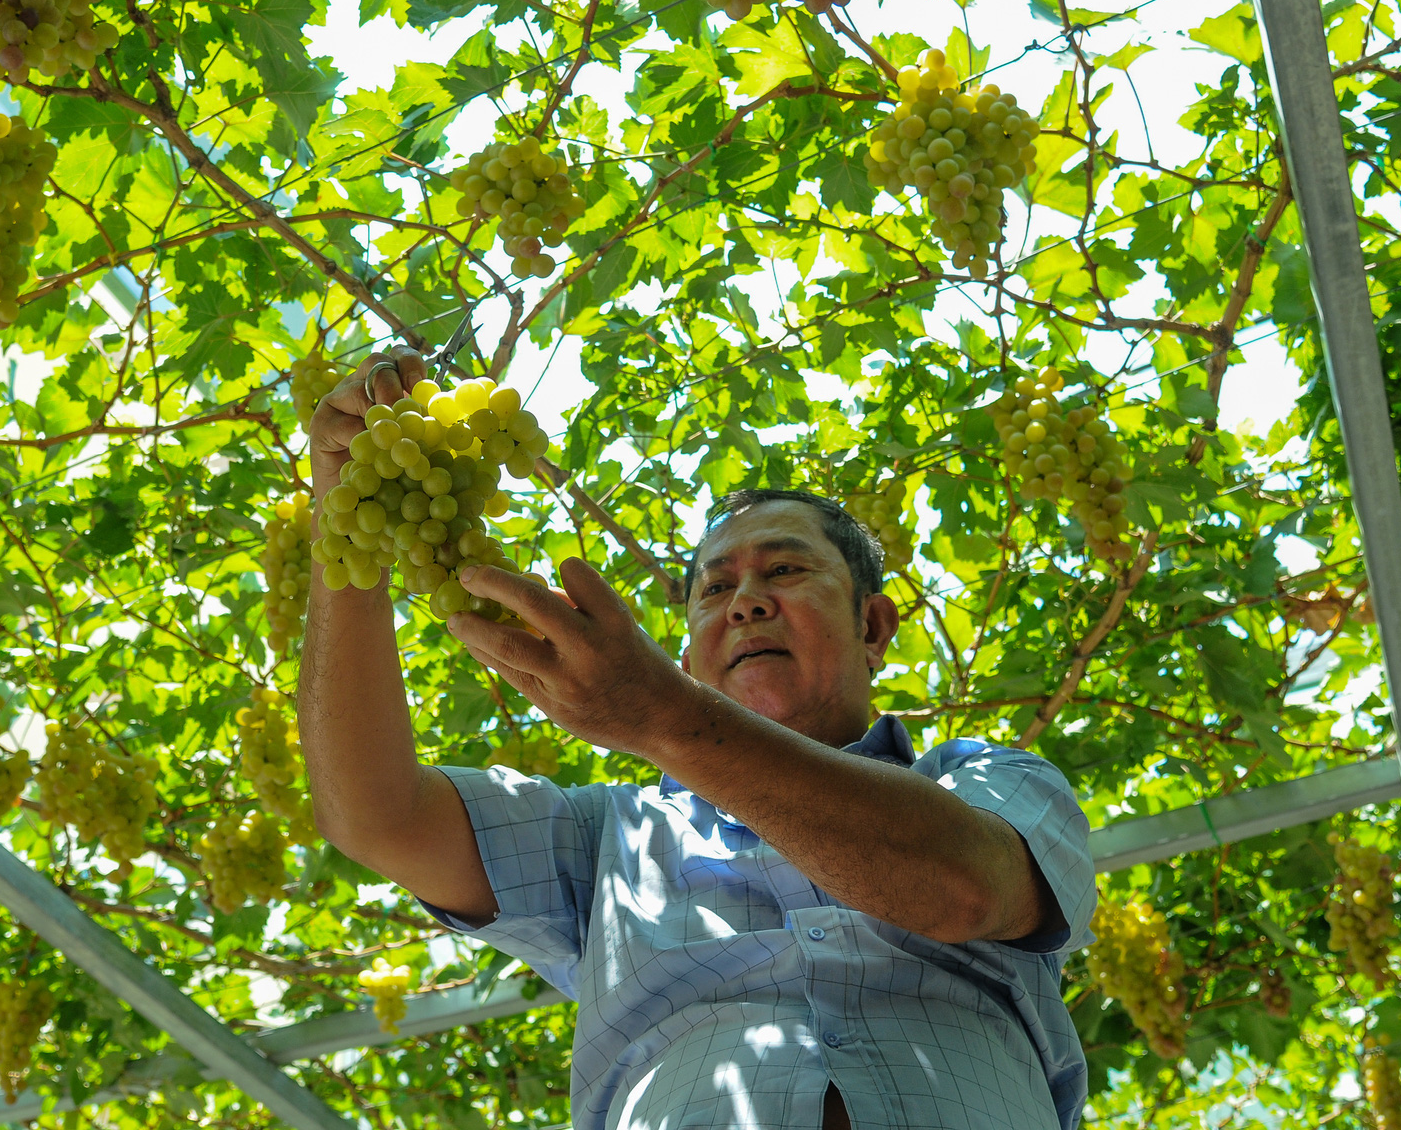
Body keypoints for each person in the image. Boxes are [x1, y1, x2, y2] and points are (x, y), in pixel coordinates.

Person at [299, 348, 1096, 1130]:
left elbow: (963, 885)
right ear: (687, 657)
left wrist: (663, 718)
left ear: (874, 624)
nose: (745, 601)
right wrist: (349, 529)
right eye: (716, 588)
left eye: (783, 572)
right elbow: (374, 815)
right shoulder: (601, 837)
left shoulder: (987, 779)